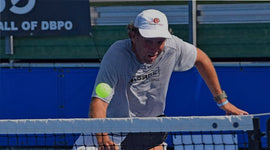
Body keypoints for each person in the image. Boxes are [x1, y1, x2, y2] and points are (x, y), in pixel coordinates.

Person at [73, 9, 248, 150]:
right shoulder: (117, 55)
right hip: (111, 127)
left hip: (149, 129)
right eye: (149, 41)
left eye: (159, 41)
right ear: (133, 35)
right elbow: (98, 103)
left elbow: (201, 59)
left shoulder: (172, 47)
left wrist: (222, 101)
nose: (155, 48)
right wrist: (103, 138)